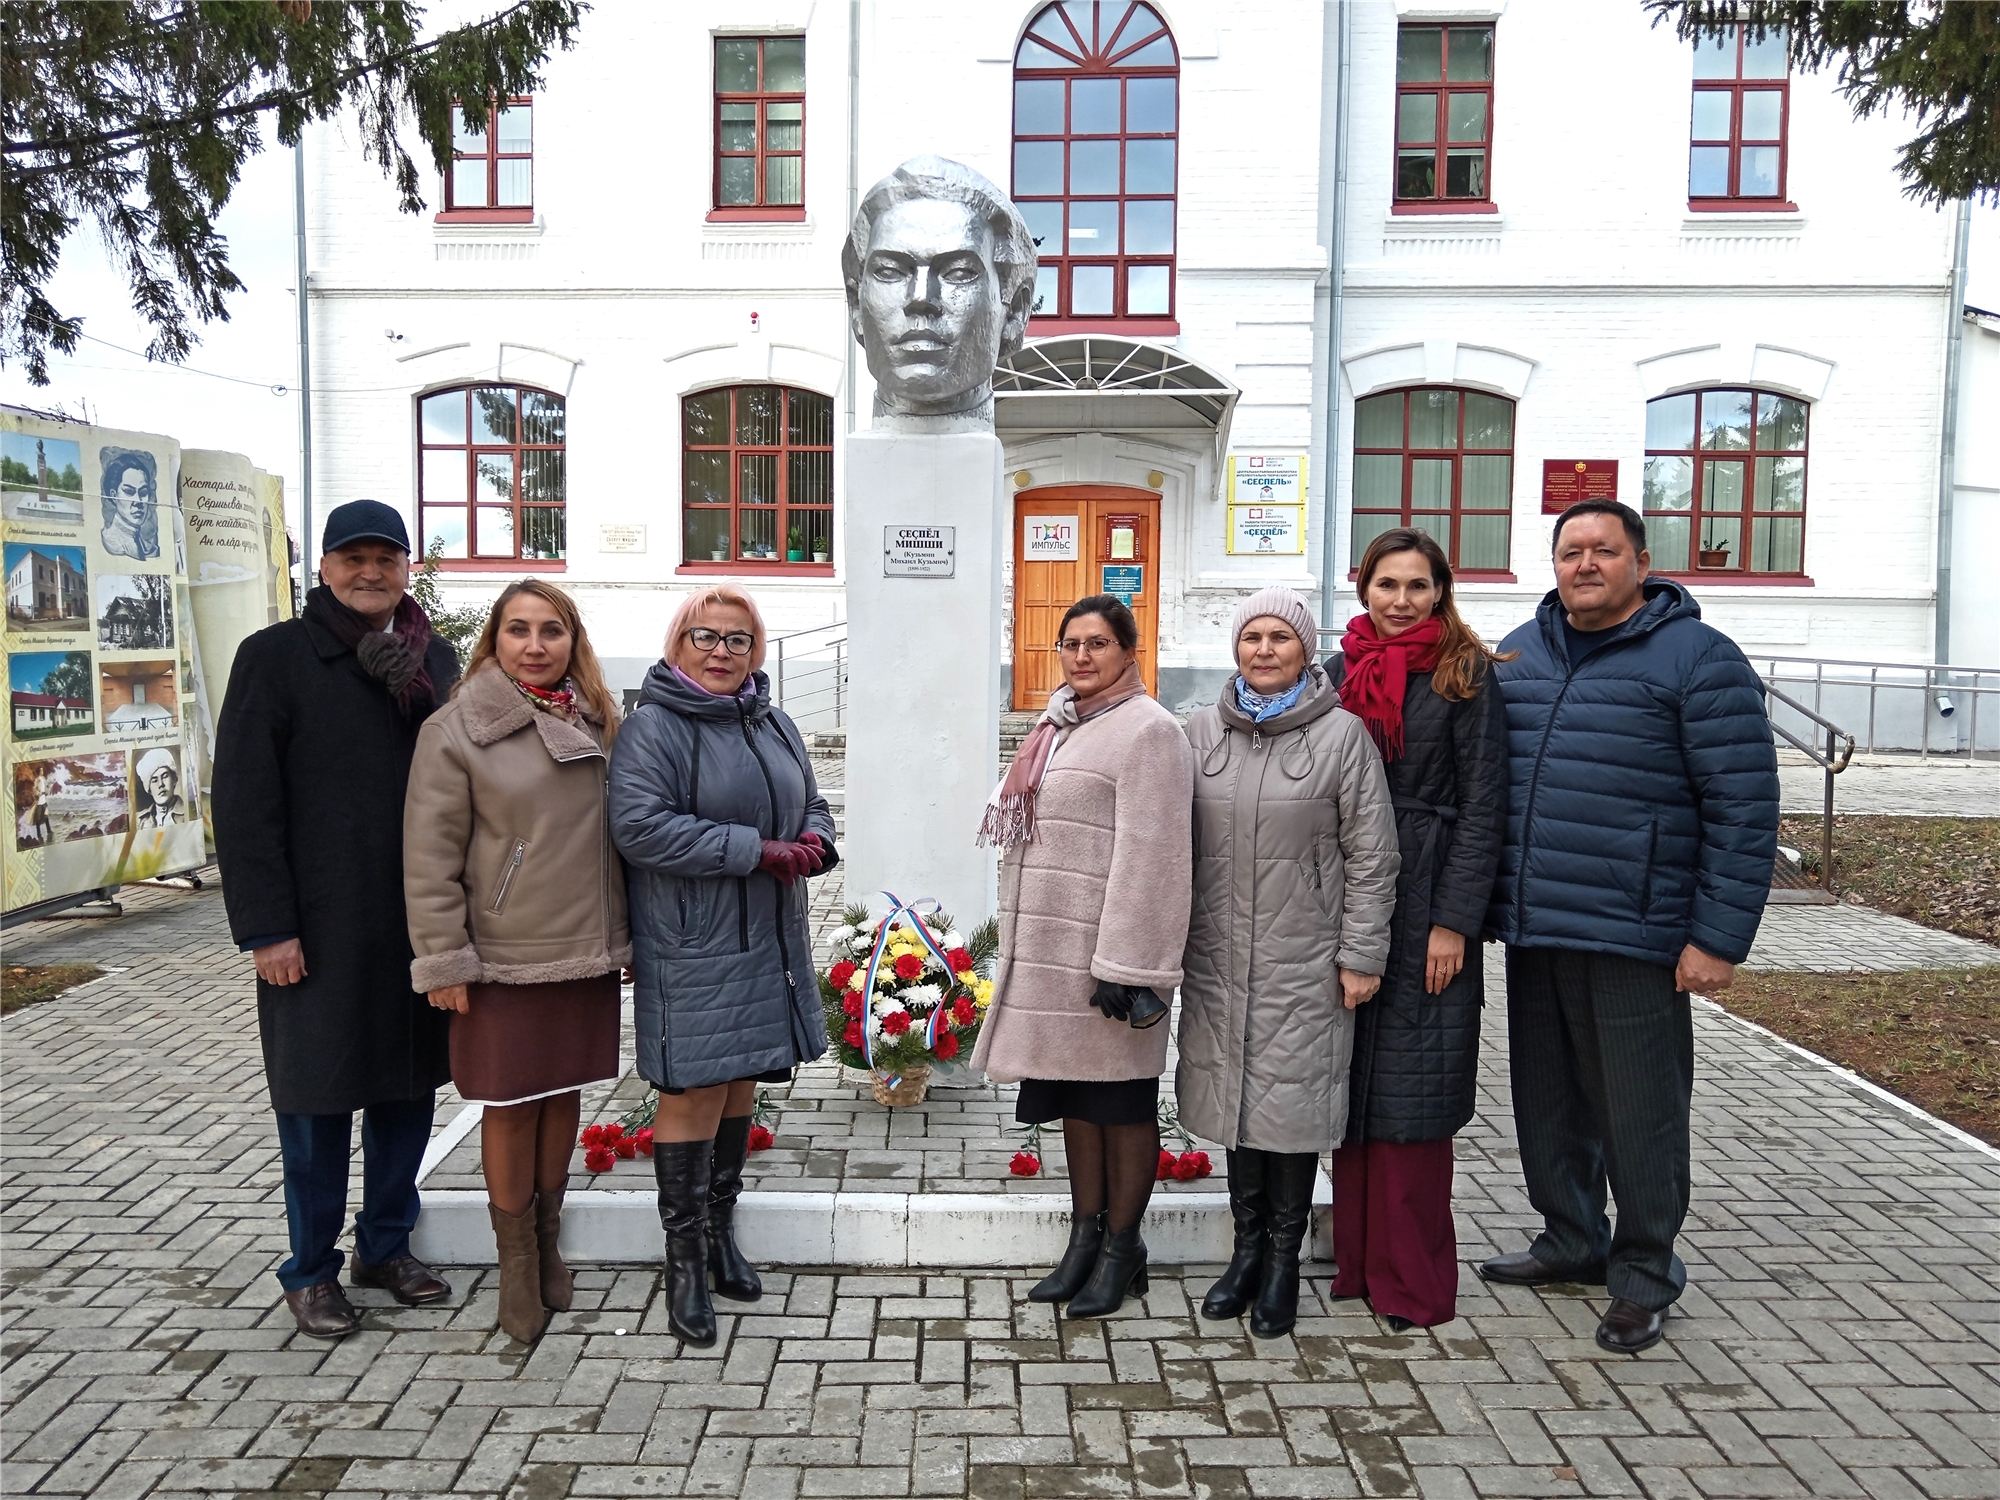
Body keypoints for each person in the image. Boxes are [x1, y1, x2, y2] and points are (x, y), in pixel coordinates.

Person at [1483, 499, 1778, 1355]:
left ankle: (1645, 1274)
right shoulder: (1521, 652)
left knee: (1639, 1110)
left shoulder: (1699, 659)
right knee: (1547, 1100)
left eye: (1603, 550)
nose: (1585, 564)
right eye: (1570, 551)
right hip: (1539, 924)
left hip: (1636, 929)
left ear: (1641, 563)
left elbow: (1743, 807)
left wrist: (1717, 938)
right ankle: (1572, 1238)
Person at [212, 499, 461, 1339]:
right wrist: (266, 928)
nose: (370, 573)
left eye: (386, 559)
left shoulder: (436, 661)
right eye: (353, 559)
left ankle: (385, 1247)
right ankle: (310, 1269)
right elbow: (243, 804)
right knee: (316, 1103)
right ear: (323, 568)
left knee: (407, 1093)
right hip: (315, 931)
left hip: (413, 924)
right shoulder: (275, 657)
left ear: (406, 569)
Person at [608, 586, 836, 1347]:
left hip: (767, 935)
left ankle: (719, 1234)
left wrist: (816, 840)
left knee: (740, 1080)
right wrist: (756, 850)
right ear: (678, 643)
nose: (721, 651)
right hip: (693, 940)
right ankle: (683, 1264)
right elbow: (641, 828)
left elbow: (811, 801)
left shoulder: (773, 721)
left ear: (755, 652)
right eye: (704, 636)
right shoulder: (654, 727)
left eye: (738, 640)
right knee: (695, 1087)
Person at [403, 581, 629, 1343]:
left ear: (573, 640)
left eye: (552, 630)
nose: (536, 645)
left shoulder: (598, 718)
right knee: (510, 1107)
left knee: (562, 1098)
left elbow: (616, 842)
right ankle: (516, 1269)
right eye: (518, 630)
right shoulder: (457, 728)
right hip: (504, 956)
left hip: (584, 950)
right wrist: (444, 959)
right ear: (494, 640)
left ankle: (548, 1243)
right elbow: (429, 857)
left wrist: (627, 934)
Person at [1176, 586, 1401, 1337]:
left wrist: (1362, 953)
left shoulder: (1341, 737)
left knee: (1291, 1112)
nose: (1265, 649)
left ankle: (1280, 1264)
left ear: (1306, 649)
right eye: (1252, 637)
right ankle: (1243, 1253)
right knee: (1236, 1107)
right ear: (1235, 649)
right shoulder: (1201, 733)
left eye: (1280, 636)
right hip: (1218, 958)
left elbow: (1372, 857)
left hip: (1304, 961)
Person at [973, 594, 1194, 1319]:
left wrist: (1128, 964)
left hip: (1110, 963)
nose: (1082, 656)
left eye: (1098, 643)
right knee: (1076, 1101)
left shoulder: (1149, 730)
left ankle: (1124, 1249)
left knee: (1121, 1105)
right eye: (1071, 643)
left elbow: (1155, 854)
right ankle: (1084, 1241)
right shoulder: (1060, 725)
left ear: (1129, 651)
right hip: (1055, 960)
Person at [1323, 532, 1509, 1330]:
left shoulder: (1465, 673)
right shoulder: (1336, 672)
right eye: (1387, 584)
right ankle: (1360, 1265)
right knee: (1352, 1090)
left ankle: (1414, 1283)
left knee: (1415, 1095)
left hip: (1428, 895)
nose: (1401, 601)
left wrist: (1453, 923)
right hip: (1349, 899)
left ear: (1441, 592)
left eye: (1417, 586)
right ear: (1363, 588)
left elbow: (1485, 809)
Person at [98, 447, 160, 561]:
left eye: (143, 493)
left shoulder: (146, 546)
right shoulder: (111, 542)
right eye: (129, 492)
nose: (138, 501)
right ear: (113, 495)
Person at [134, 747, 186, 827]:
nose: (161, 784)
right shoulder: (139, 821)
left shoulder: (188, 812)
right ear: (149, 789)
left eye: (165, 777)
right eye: (154, 781)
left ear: (174, 779)